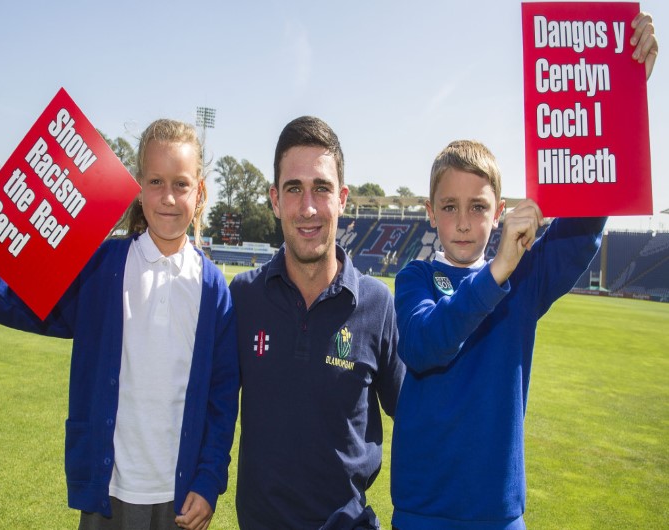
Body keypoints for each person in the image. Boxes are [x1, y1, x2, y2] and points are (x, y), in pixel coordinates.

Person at [390, 13, 658, 530]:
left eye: (478, 206)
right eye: (449, 206)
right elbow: (425, 347)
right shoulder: (414, 279)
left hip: (498, 515)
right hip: (423, 513)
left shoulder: (525, 278)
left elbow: (584, 214)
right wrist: (495, 273)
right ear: (429, 211)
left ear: (500, 210)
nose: (464, 222)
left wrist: (621, 96)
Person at [0, 119, 239, 530]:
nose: (167, 197)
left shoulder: (213, 287)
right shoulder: (103, 266)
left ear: (199, 191)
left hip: (179, 499)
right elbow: (27, 304)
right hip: (109, 494)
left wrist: (210, 476)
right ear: (139, 187)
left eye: (181, 184)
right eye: (156, 181)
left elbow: (222, 396)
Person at [229, 115, 405, 529]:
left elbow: (417, 414)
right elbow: (209, 408)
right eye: (294, 189)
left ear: (342, 197)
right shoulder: (243, 298)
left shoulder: (377, 304)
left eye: (321, 188)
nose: (308, 208)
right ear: (275, 200)